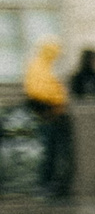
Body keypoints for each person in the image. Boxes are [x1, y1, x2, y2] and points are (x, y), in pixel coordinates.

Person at [22, 36, 67, 195]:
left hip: (51, 114)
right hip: (47, 114)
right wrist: (57, 101)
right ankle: (45, 184)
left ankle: (49, 183)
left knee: (52, 150)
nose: (57, 56)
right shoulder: (39, 67)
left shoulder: (44, 67)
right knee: (49, 150)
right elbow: (38, 92)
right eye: (55, 53)